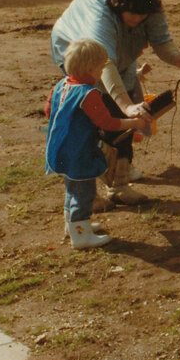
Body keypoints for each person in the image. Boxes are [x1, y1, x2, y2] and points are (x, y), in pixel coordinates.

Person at [50, 0, 180, 207]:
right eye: (131, 14)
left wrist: (176, 58)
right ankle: (86, 194)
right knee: (94, 121)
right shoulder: (100, 9)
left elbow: (160, 40)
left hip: (119, 58)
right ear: (118, 7)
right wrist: (127, 106)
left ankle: (119, 183)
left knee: (123, 119)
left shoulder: (150, 6)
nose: (137, 19)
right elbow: (105, 63)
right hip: (82, 55)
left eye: (142, 15)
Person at [46, 39, 149, 248]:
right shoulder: (89, 93)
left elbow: (49, 110)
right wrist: (134, 123)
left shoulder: (62, 85)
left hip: (62, 149)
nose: (102, 72)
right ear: (91, 69)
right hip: (80, 152)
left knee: (72, 188)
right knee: (84, 193)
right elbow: (108, 123)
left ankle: (73, 226)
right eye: (101, 68)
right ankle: (81, 236)